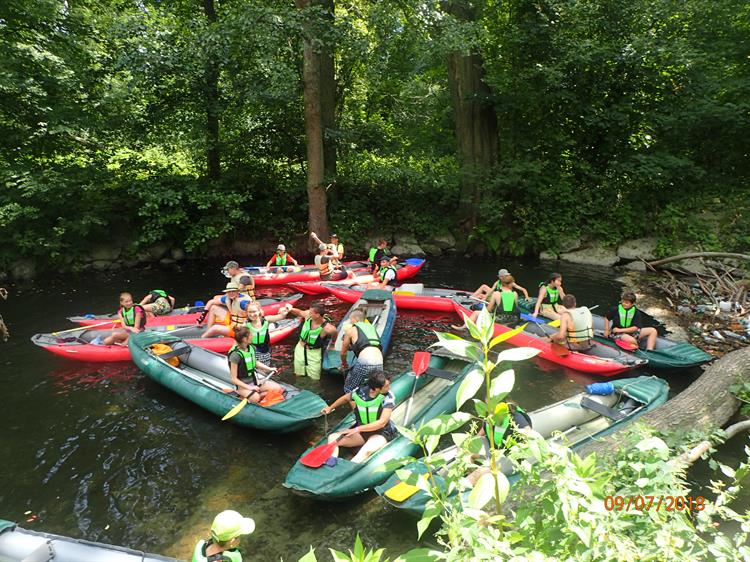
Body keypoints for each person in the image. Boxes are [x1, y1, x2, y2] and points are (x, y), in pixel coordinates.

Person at [320, 370, 396, 463]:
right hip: (362, 433)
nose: (389, 388)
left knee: (365, 451)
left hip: (381, 433)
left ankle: (349, 469)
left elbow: (381, 423)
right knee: (332, 438)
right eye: (386, 386)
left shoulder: (388, 397)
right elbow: (345, 398)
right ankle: (332, 460)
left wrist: (356, 429)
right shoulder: (360, 391)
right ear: (376, 388)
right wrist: (330, 408)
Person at [466, 401, 533, 486]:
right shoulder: (490, 415)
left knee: (481, 472)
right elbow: (485, 427)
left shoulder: (516, 417)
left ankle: (467, 485)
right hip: (494, 451)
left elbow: (529, 432)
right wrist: (474, 439)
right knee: (464, 449)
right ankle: (472, 478)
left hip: (510, 458)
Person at [227, 326, 283, 404]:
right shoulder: (235, 355)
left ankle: (255, 395)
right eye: (250, 335)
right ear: (244, 339)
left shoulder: (251, 348)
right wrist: (250, 387)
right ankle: (241, 394)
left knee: (277, 389)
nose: (252, 336)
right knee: (256, 398)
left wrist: (269, 369)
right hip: (242, 386)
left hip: (254, 381)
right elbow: (234, 379)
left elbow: (255, 362)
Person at [287, 304, 338, 380]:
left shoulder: (327, 328)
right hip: (300, 348)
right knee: (298, 373)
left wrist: (332, 344)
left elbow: (335, 333)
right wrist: (290, 309)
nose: (308, 313)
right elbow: (300, 313)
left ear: (317, 315)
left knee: (314, 377)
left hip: (314, 352)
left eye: (311, 312)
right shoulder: (308, 316)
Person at [452, 275, 520, 329]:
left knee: (475, 313)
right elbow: (515, 308)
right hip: (514, 319)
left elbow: (488, 309)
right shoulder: (515, 293)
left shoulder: (496, 294)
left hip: (501, 319)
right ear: (510, 284)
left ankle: (463, 327)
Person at [339, 309, 383, 393]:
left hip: (365, 361)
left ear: (355, 319)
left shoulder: (351, 330)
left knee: (349, 389)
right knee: (373, 387)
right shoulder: (371, 328)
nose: (350, 322)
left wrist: (344, 364)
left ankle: (355, 406)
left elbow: (343, 353)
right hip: (380, 361)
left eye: (350, 319)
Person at [244, 301, 292, 365]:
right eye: (250, 312)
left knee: (265, 368)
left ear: (259, 311)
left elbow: (281, 317)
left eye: (254, 311)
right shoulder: (245, 325)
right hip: (252, 353)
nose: (252, 314)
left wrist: (286, 309)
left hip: (265, 352)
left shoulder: (266, 320)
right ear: (247, 313)